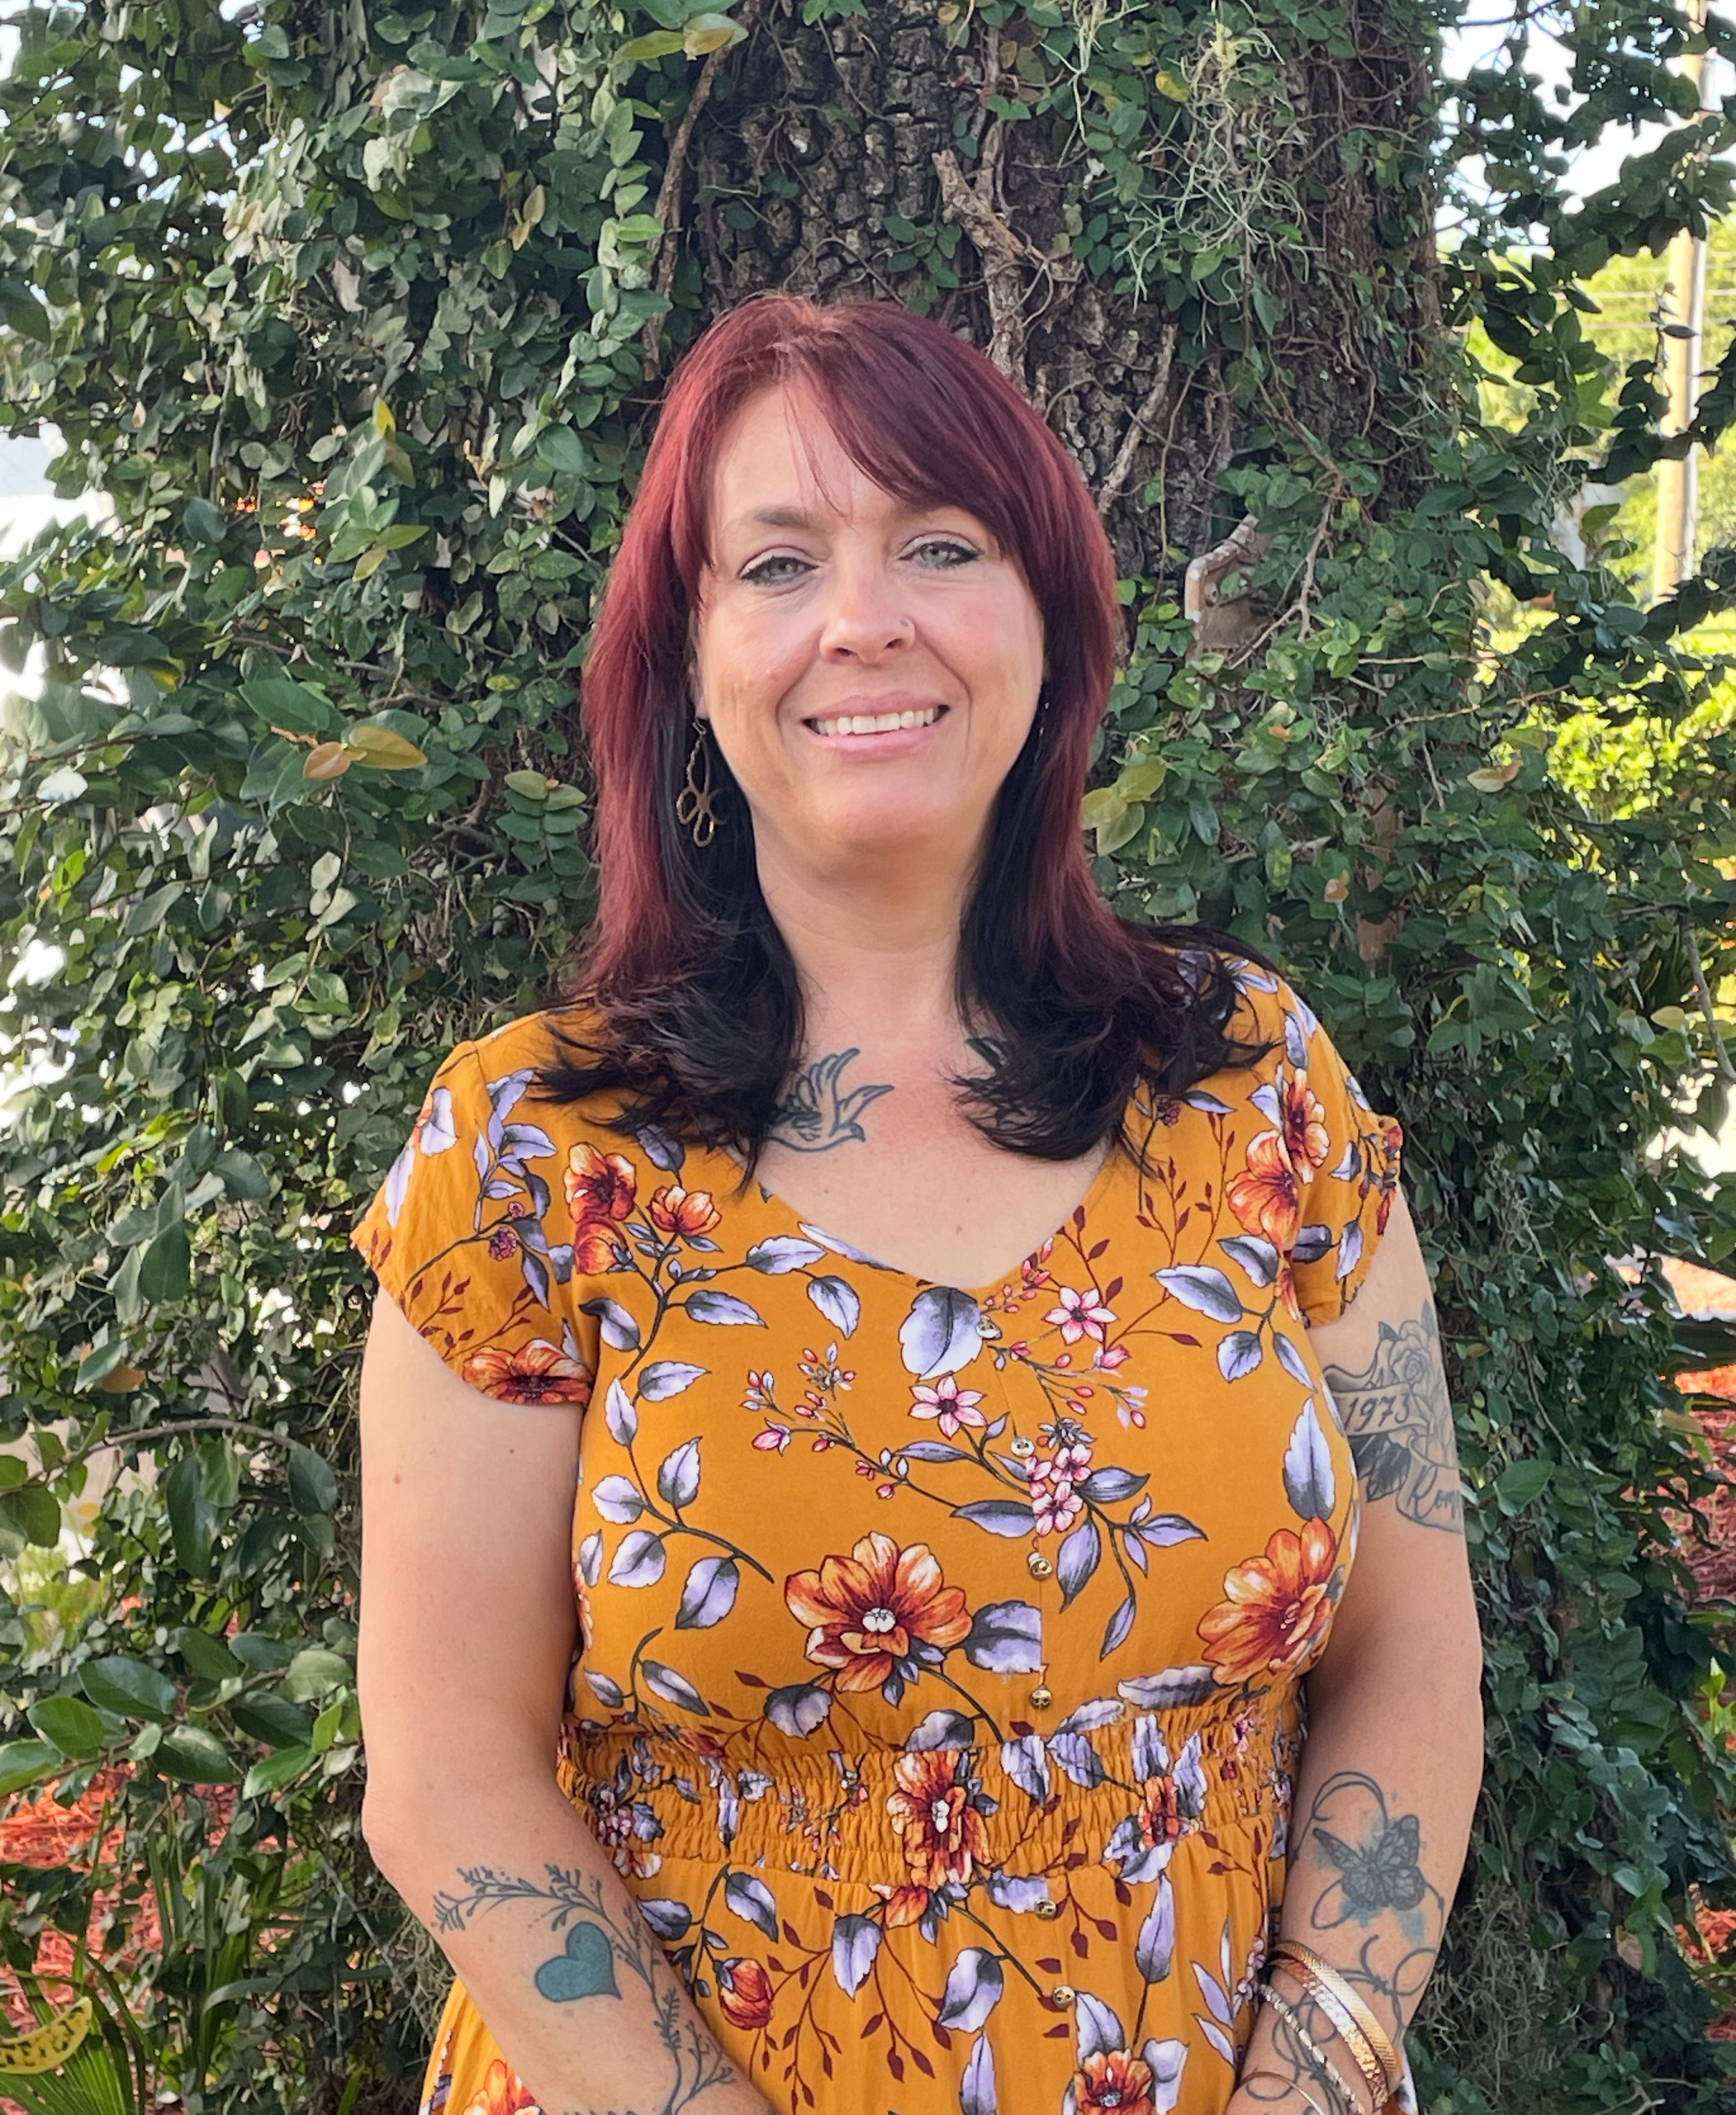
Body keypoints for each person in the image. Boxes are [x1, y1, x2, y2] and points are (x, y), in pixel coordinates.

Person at [353, 294, 1483, 2115]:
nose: (861, 616)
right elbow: (444, 1773)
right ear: (692, 661)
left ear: (1049, 623)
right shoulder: (534, 1155)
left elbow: (1416, 1653)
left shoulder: (1257, 1082)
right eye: (778, 560)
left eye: (937, 544)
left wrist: (1321, 2073)